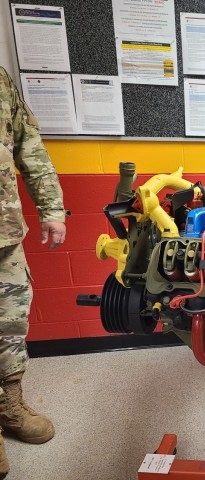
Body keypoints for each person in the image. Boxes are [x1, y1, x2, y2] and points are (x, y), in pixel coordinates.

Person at [0, 66, 66, 477]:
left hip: (3, 231)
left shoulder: (2, 80)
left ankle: (9, 402)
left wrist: (52, 209)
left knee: (11, 321)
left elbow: (29, 146)